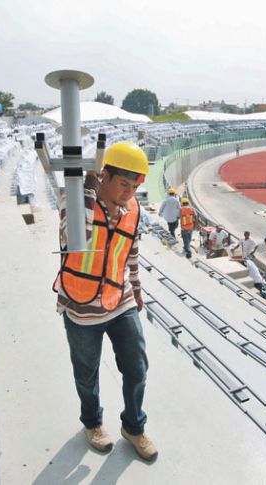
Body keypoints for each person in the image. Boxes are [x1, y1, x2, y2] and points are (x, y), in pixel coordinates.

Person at [53, 141, 158, 461]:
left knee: (137, 366)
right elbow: (77, 238)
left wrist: (137, 289)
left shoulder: (134, 210)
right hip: (81, 306)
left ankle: (133, 427)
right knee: (86, 372)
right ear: (104, 176)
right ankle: (93, 424)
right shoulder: (72, 202)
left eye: (135, 186)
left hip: (120, 298)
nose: (129, 192)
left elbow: (131, 252)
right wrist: (87, 187)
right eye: (124, 184)